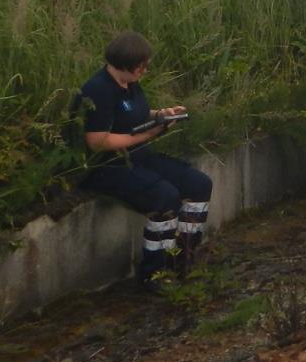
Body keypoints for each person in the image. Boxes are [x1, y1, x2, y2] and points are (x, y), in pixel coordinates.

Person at [75, 31, 211, 290]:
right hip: (109, 166)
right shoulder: (98, 89)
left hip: (139, 155)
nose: (145, 71)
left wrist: (161, 115)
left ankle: (186, 256)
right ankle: (156, 274)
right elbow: (98, 140)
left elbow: (133, 114)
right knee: (165, 198)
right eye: (141, 67)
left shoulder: (130, 83)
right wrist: (147, 134)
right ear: (124, 64)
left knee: (198, 184)